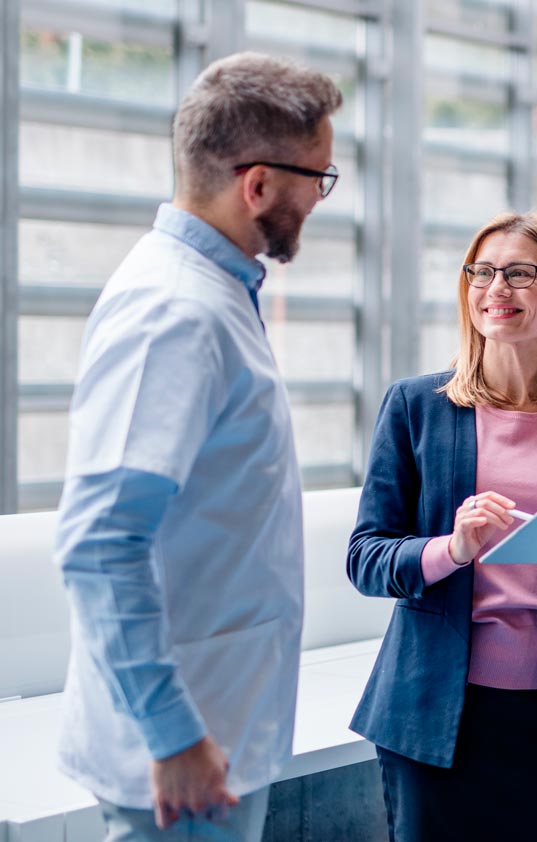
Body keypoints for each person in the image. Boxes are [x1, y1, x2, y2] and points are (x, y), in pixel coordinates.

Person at [53, 52, 342, 841]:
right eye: (317, 178)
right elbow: (99, 542)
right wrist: (172, 732)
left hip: (214, 738)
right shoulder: (174, 312)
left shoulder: (216, 293)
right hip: (181, 762)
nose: (320, 198)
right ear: (256, 185)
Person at [347, 211, 537, 842]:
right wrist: (453, 548)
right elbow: (366, 557)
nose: (496, 288)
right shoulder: (416, 408)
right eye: (482, 272)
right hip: (436, 717)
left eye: (519, 273)